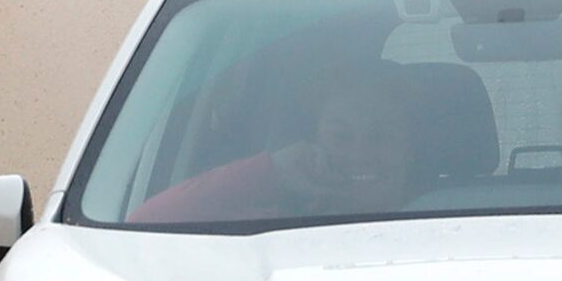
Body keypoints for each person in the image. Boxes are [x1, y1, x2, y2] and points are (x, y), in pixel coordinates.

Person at [129, 65, 418, 224]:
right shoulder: (272, 225)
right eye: (341, 137)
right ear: (314, 143)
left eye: (382, 136)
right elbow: (146, 221)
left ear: (411, 147)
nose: (361, 154)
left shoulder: (453, 211)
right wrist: (269, 170)